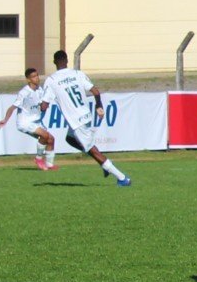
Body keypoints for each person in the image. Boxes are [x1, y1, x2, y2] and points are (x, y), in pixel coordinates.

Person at [41, 51, 131, 186]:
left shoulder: (52, 80)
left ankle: (122, 177)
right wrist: (99, 106)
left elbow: (44, 105)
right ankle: (104, 164)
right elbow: (95, 91)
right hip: (85, 115)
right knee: (70, 139)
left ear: (54, 62)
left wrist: (40, 105)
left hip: (76, 121)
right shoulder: (77, 74)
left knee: (92, 150)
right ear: (67, 60)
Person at [0, 67, 56, 170]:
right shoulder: (24, 93)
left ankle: (49, 165)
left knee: (51, 139)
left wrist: (45, 105)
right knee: (45, 135)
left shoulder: (40, 90)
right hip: (25, 122)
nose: (37, 78)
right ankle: (38, 159)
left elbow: (42, 106)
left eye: (37, 75)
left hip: (36, 121)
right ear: (28, 79)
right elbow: (12, 107)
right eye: (33, 77)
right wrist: (5, 120)